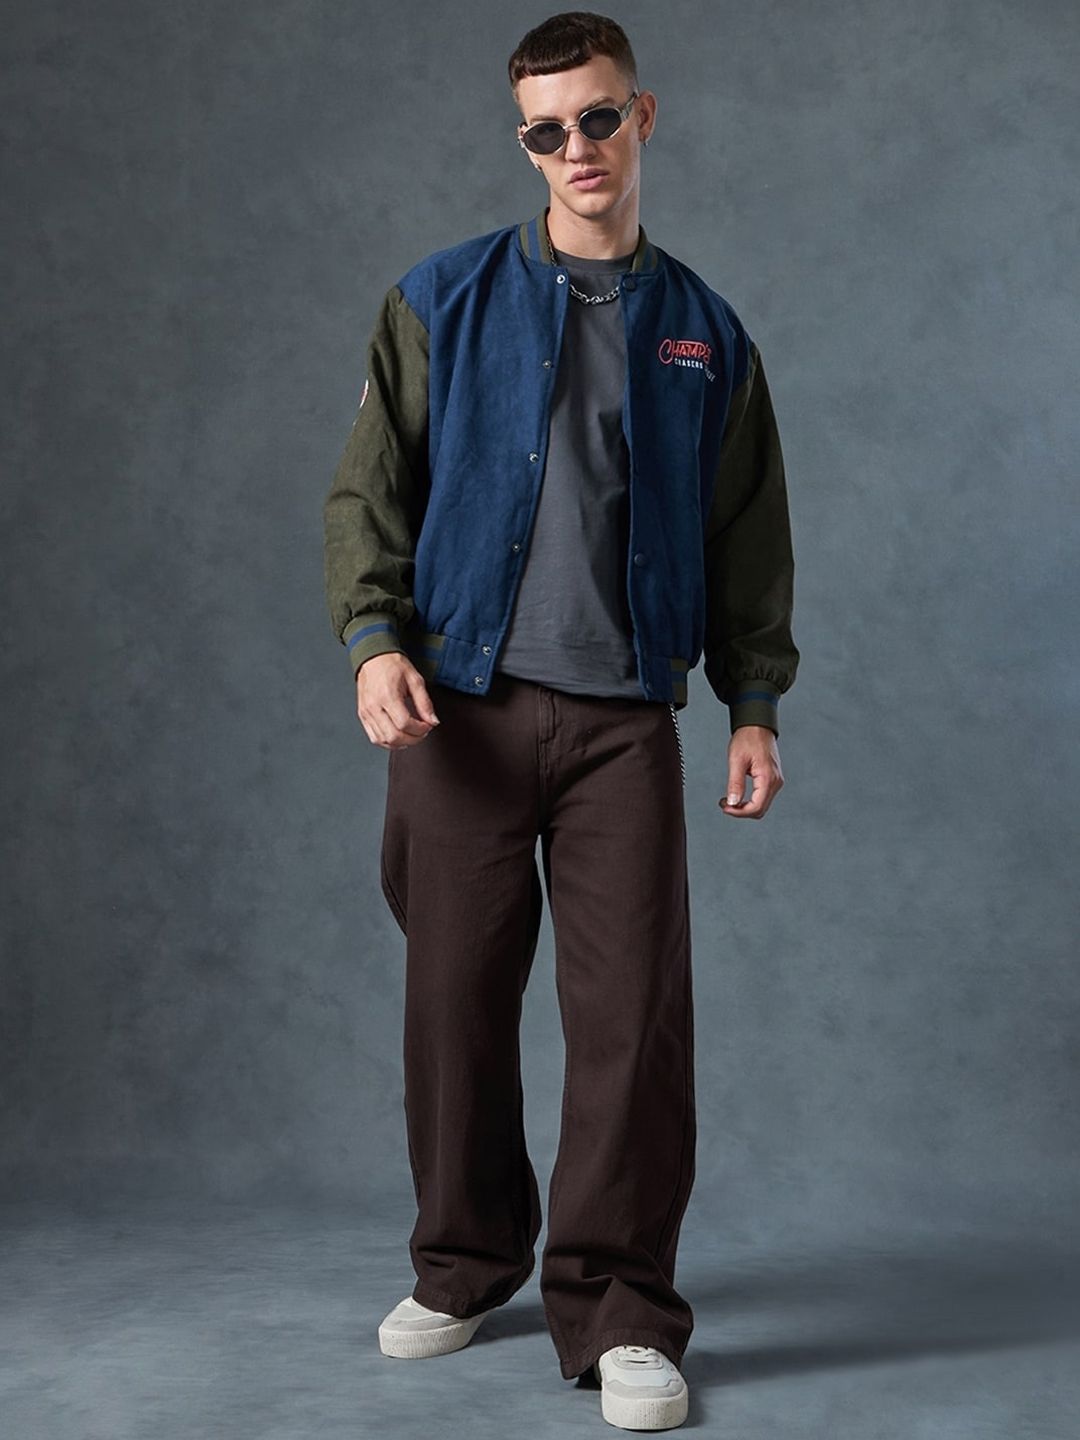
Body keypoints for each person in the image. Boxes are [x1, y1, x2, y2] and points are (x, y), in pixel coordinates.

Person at [322, 11, 799, 1430]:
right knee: (454, 1007)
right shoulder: (440, 300)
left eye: (597, 118)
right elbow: (368, 491)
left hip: (621, 732)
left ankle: (623, 1310)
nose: (575, 148)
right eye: (546, 130)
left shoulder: (706, 333)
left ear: (641, 118)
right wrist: (372, 644)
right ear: (523, 142)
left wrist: (754, 704)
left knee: (632, 1022)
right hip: (458, 722)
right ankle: (465, 1265)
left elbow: (750, 534)